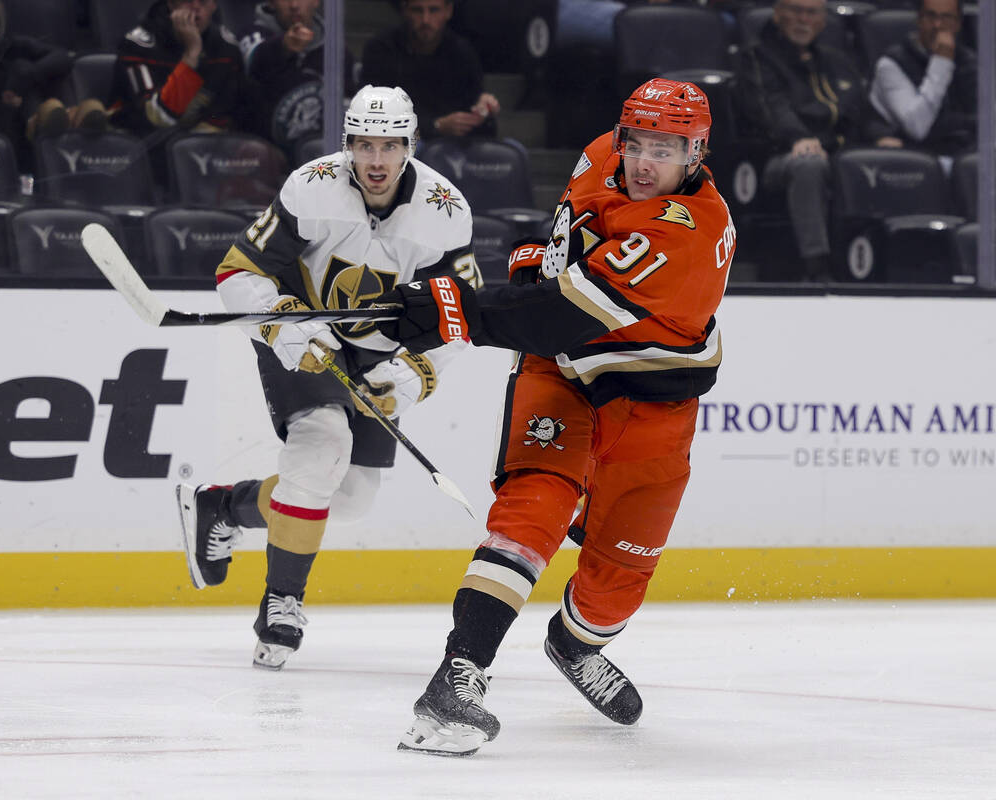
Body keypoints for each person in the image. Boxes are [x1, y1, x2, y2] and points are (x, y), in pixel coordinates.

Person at [371, 78, 735, 757]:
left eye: (666, 148)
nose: (644, 162)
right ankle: (458, 678)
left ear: (697, 152)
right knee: (528, 514)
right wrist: (536, 265)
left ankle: (574, 642)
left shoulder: (691, 232)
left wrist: (449, 309)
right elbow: (565, 251)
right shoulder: (602, 155)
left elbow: (562, 310)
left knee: (616, 585)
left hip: (653, 400)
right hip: (563, 372)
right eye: (638, 144)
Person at [176, 85, 480, 670]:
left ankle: (224, 508)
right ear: (347, 144)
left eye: (389, 146)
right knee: (322, 447)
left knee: (349, 497)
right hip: (301, 331)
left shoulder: (446, 212)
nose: (375, 160)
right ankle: (281, 603)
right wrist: (289, 331)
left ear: (409, 146)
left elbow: (459, 315)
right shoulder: (310, 187)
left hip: (379, 352)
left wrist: (412, 376)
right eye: (363, 144)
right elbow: (236, 272)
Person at [737, 0, 893, 282]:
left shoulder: (837, 61)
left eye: (811, 12)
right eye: (795, 10)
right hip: (777, 157)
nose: (803, 19)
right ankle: (817, 268)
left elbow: (863, 111)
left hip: (839, 155)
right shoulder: (757, 57)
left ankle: (886, 264)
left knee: (891, 161)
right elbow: (770, 108)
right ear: (778, 13)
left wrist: (882, 135)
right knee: (809, 164)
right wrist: (799, 137)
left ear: (823, 20)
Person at [0, 0, 108, 170]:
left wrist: (29, 75)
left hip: (31, 142)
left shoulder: (11, 48)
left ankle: (67, 118)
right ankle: (54, 121)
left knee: (30, 68)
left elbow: (62, 58)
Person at [110, 0, 256, 136]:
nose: (196, 6)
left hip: (200, 152)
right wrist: (191, 56)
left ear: (214, 5)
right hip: (140, 147)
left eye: (204, 1)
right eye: (187, 0)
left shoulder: (226, 49)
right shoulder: (137, 46)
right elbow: (156, 119)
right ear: (171, 4)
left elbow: (228, 119)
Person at [236, 0, 357, 161]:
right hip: (264, 155)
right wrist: (282, 47)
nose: (294, 5)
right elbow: (254, 64)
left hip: (318, 154)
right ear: (272, 3)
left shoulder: (334, 46)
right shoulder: (253, 34)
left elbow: (348, 101)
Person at [360, 0, 500, 139]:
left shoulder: (462, 52)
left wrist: (483, 109)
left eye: (434, 10)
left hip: (454, 148)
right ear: (404, 11)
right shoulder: (381, 50)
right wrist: (435, 126)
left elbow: (475, 108)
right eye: (417, 11)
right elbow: (374, 115)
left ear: (448, 11)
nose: (426, 20)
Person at [868, 0, 977, 161]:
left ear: (958, 23)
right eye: (930, 16)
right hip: (916, 161)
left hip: (966, 158)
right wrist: (942, 61)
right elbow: (918, 127)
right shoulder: (891, 65)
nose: (937, 25)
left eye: (946, 17)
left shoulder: (971, 63)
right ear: (918, 19)